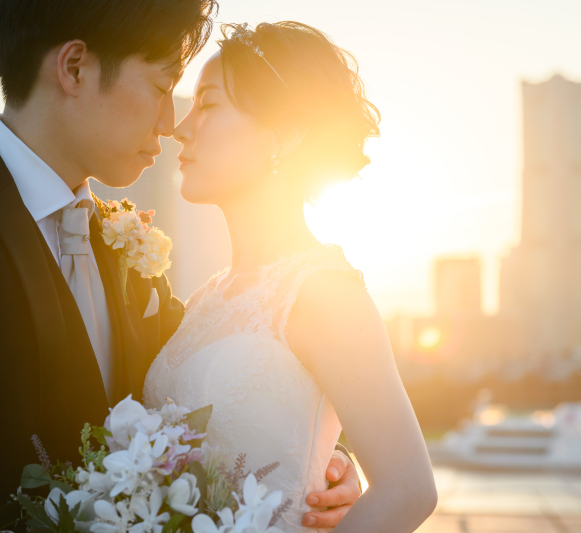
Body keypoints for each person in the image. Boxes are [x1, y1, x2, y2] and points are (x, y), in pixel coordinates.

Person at [0, 1, 361, 524]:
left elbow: (209, 382)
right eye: (164, 88)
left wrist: (317, 460)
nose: (171, 125)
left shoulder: (120, 243)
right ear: (74, 68)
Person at [144, 22, 437, 532]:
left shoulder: (324, 294)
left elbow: (410, 489)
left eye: (208, 105)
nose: (180, 128)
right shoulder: (205, 299)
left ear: (283, 134)